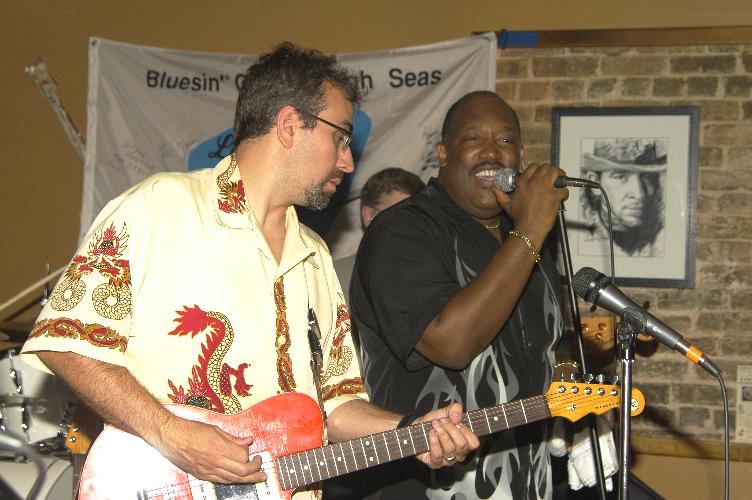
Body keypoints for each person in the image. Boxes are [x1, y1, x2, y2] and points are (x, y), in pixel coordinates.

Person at [19, 43, 478, 498]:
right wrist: (171, 434)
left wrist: (413, 431)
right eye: (341, 138)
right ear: (289, 125)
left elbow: (335, 407)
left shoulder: (315, 257)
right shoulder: (159, 207)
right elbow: (64, 343)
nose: (349, 161)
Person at [349, 90, 569, 499]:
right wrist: (532, 229)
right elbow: (450, 343)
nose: (492, 152)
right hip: (428, 485)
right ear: (444, 152)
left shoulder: (525, 238)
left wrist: (568, 370)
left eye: (505, 140)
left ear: (520, 156)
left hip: (530, 480)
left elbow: (549, 341)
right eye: (473, 138)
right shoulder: (401, 231)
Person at [333, 167, 425, 305]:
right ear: (369, 215)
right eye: (400, 215)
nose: (411, 227)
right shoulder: (331, 279)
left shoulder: (436, 278)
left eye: (419, 218)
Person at [579, 138, 667, 257]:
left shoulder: (661, 237)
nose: (639, 194)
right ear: (594, 183)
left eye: (646, 177)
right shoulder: (583, 238)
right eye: (621, 177)